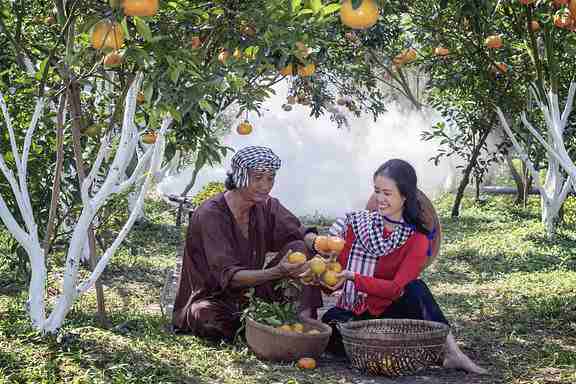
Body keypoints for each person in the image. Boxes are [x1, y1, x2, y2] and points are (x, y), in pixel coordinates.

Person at [311, 159, 487, 374]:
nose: (380, 199)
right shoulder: (357, 226)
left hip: (391, 313)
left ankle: (452, 353)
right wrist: (320, 277)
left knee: (416, 289)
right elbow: (335, 282)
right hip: (358, 314)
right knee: (331, 322)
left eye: (388, 193)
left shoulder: (417, 239)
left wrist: (354, 278)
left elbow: (395, 289)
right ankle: (385, 348)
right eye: (377, 191)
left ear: (404, 196)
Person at [172, 146, 322, 342]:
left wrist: (320, 244)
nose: (265, 186)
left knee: (300, 248)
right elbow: (230, 277)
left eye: (270, 178)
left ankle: (302, 326)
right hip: (215, 299)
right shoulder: (211, 214)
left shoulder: (266, 205)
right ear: (239, 178)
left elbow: (298, 232)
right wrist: (278, 271)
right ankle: (261, 327)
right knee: (205, 318)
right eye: (258, 178)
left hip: (252, 295)